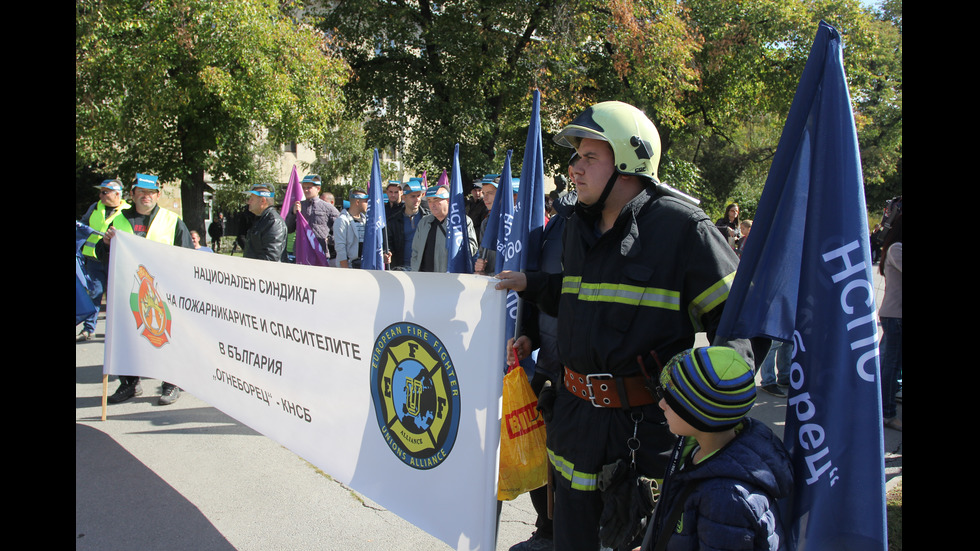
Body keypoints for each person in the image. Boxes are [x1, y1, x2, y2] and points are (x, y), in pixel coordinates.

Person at [494, 101, 751, 550]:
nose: (574, 168)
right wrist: (532, 284)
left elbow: (742, 323)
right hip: (572, 422)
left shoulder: (683, 229)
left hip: (640, 435)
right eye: (575, 157)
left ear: (631, 160)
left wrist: (707, 404)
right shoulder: (577, 226)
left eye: (589, 157)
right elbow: (582, 297)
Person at [640, 347, 793, 551]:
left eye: (672, 399)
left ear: (699, 414)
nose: (661, 404)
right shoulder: (699, 448)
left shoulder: (724, 499)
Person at [97, 173, 193, 406]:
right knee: (126, 338)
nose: (146, 196)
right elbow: (101, 254)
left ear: (158, 195)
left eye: (150, 192)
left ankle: (172, 383)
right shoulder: (118, 220)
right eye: (141, 192)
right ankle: (129, 384)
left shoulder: (172, 220)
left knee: (167, 337)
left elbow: (187, 255)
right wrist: (106, 244)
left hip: (163, 292)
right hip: (127, 291)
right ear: (132, 194)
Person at [78, 178, 130, 341]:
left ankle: (116, 330)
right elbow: (84, 225)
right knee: (94, 293)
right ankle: (88, 329)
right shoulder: (94, 207)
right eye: (100, 192)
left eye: (104, 192)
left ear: (117, 194)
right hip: (93, 259)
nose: (101, 195)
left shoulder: (128, 210)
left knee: (117, 296)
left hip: (115, 260)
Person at [410, 185, 477, 272]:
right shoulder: (424, 222)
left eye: (436, 200)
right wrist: (415, 269)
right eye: (429, 201)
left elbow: (471, 248)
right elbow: (415, 251)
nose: (432, 205)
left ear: (448, 200)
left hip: (450, 276)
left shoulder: (462, 221)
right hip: (424, 278)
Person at [878, 213, 902, 431]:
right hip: (895, 316)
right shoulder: (896, 248)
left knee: (892, 365)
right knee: (890, 366)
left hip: (896, 315)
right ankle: (886, 413)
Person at [285, 174, 334, 260]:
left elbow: (340, 230)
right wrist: (293, 214)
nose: (305, 190)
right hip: (301, 252)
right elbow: (288, 229)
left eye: (309, 187)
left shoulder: (328, 208)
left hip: (320, 252)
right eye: (304, 187)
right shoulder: (298, 206)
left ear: (318, 189)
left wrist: (329, 240)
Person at [386, 179, 426, 270]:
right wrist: (387, 253)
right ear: (404, 197)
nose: (417, 200)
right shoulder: (393, 221)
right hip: (401, 268)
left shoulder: (428, 218)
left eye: (418, 196)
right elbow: (388, 244)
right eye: (412, 196)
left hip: (423, 269)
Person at [242, 184, 287, 262]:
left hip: (265, 272)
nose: (249, 202)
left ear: (263, 201)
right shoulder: (261, 219)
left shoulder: (273, 222)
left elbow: (271, 257)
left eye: (252, 199)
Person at [335, 188, 369, 268]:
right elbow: (340, 247)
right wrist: (346, 269)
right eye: (365, 201)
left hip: (363, 265)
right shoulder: (342, 220)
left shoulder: (365, 220)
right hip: (349, 267)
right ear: (357, 202)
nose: (367, 204)